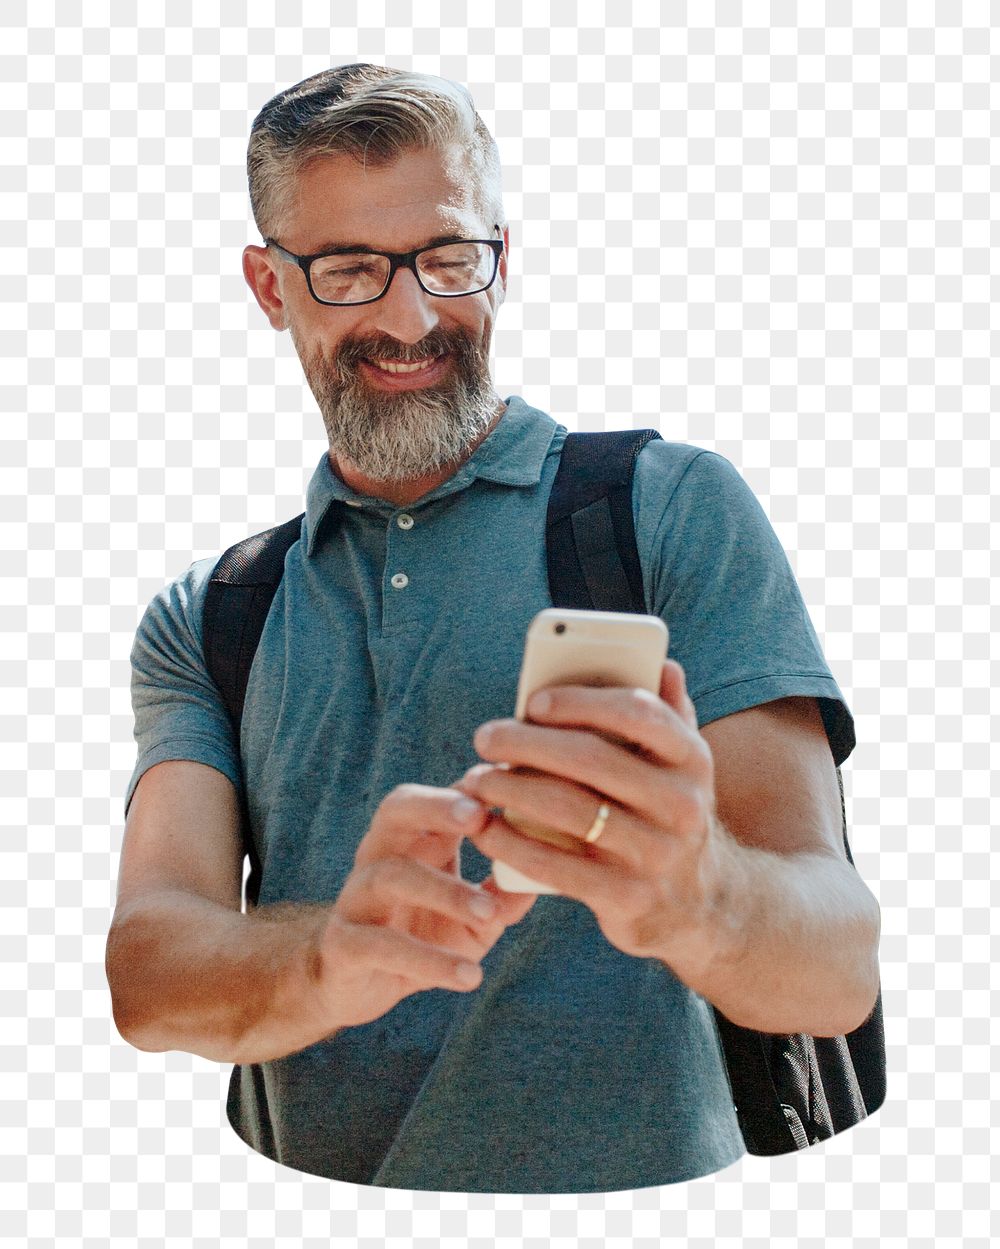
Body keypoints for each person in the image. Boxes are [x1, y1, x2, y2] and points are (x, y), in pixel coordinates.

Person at [106, 64, 881, 1194]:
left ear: (502, 261)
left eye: (448, 258)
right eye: (348, 270)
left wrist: (695, 893)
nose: (409, 316)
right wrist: (330, 956)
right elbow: (148, 972)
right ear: (270, 287)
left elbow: (834, 967)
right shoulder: (214, 611)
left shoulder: (668, 509)